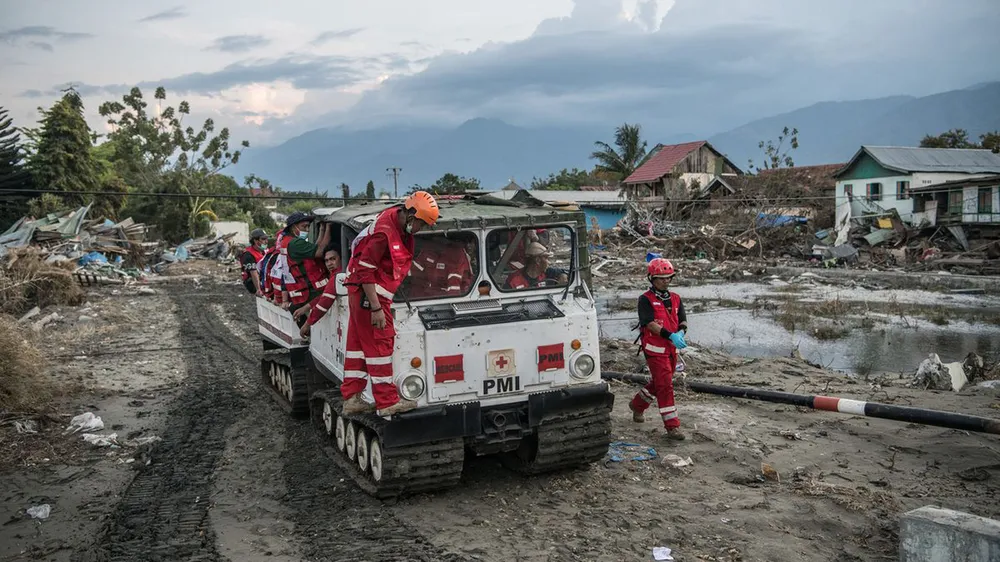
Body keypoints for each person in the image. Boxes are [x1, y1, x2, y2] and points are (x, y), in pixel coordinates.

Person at [341, 191, 440, 417]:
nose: (421, 230)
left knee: (358, 346)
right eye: (422, 224)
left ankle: (352, 397)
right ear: (412, 216)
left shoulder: (393, 222)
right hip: (370, 296)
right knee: (381, 344)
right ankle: (386, 402)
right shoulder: (383, 233)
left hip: (361, 293)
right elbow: (365, 270)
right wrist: (376, 308)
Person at [629, 258, 688, 441]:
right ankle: (672, 426)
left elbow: (683, 320)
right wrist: (670, 335)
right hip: (655, 350)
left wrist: (681, 332)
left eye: (668, 277)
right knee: (665, 386)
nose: (666, 281)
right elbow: (649, 324)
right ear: (652, 278)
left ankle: (637, 404)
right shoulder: (645, 299)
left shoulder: (675, 298)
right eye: (662, 278)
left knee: (660, 382)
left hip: (671, 350)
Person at [284, 212, 332, 318]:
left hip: (303, 294)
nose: (307, 230)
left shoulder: (290, 242)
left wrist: (322, 229)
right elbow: (320, 252)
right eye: (304, 226)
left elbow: (315, 247)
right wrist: (328, 228)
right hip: (311, 293)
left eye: (308, 226)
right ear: (293, 227)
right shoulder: (295, 244)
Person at [293, 248, 342, 338]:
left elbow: (325, 301)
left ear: (341, 259)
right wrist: (306, 307)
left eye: (333, 259)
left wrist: (307, 324)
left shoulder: (338, 276)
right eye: (326, 261)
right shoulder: (333, 275)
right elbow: (324, 296)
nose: (329, 263)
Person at [503, 242, 568, 290]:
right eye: (546, 258)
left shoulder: (548, 272)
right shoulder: (513, 280)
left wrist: (563, 276)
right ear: (538, 260)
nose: (549, 262)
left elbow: (568, 272)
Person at [241, 229, 268, 295]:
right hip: (253, 283)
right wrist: (258, 289)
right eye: (263, 239)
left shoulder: (264, 251)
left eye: (266, 239)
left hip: (263, 279)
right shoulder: (248, 255)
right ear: (255, 240)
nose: (266, 241)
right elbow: (253, 273)